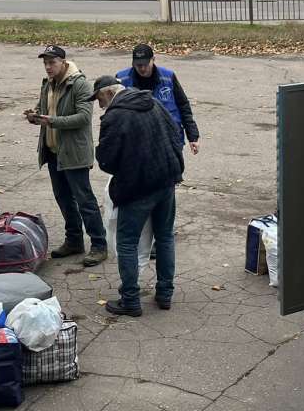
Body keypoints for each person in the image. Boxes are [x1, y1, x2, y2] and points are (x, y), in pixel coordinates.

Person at [92, 75, 184, 317]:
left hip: (137, 188)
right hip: (166, 181)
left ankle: (130, 299)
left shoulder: (115, 116)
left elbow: (107, 161)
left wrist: (103, 153)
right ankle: (165, 293)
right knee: (165, 237)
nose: (100, 106)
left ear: (109, 93)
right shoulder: (153, 102)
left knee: (127, 242)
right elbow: (175, 135)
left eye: (100, 99)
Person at [26, 45, 107, 267]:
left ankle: (99, 245)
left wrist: (51, 121)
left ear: (63, 62)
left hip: (74, 153)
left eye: (52, 62)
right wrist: (34, 115)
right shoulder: (48, 83)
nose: (48, 67)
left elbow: (83, 117)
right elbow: (44, 109)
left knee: (84, 200)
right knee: (63, 198)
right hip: (54, 152)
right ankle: (74, 241)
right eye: (45, 63)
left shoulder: (79, 84)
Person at [116, 44, 200, 154]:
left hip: (169, 140)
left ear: (153, 59)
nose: (142, 68)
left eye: (146, 64)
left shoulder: (168, 77)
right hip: (136, 143)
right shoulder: (122, 80)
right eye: (138, 65)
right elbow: (115, 114)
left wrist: (193, 136)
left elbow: (183, 105)